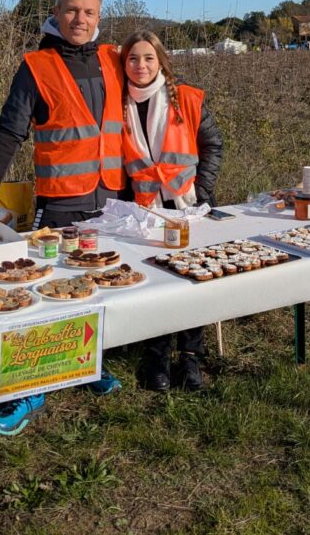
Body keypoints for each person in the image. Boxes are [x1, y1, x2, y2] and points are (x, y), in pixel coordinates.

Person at [0, 0, 126, 435]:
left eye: (89, 12)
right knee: (45, 293)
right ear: (56, 12)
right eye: (72, 11)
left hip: (112, 197)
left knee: (101, 283)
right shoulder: (35, 66)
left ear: (99, 17)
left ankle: (89, 364)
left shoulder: (113, 59)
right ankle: (27, 389)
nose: (81, 20)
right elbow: (11, 131)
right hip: (62, 201)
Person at [120, 30, 223, 392]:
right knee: (155, 283)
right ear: (124, 63)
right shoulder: (117, 105)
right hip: (145, 209)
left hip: (186, 206)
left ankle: (190, 356)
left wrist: (204, 193)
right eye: (133, 58)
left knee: (191, 280)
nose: (141, 65)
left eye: (148, 57)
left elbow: (213, 144)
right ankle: (157, 355)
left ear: (160, 60)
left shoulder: (185, 98)